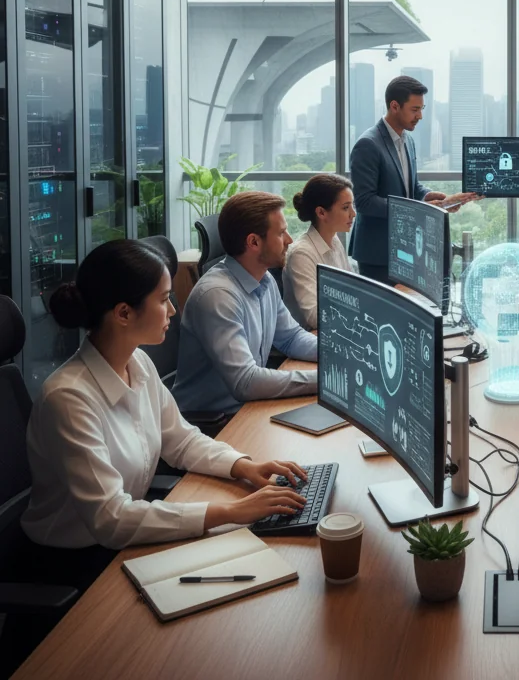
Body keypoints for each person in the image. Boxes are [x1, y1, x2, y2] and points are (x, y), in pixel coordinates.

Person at [21, 240, 308, 554]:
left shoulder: (137, 362)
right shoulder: (68, 398)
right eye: (163, 299)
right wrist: (232, 511)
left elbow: (180, 440)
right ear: (123, 313)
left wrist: (243, 466)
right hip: (76, 559)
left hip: (126, 533)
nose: (172, 309)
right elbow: (111, 519)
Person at [174, 191, 318, 415]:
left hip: (248, 409)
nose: (289, 240)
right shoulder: (218, 296)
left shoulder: (264, 278)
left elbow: (291, 338)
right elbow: (246, 382)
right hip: (213, 423)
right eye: (281, 233)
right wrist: (326, 380)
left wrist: (340, 356)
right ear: (253, 242)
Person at [349, 75, 473, 284]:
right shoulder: (368, 145)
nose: (420, 116)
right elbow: (364, 202)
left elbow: (410, 187)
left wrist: (428, 197)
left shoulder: (408, 140)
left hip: (403, 248)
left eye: (422, 109)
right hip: (377, 252)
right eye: (415, 110)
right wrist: (416, 208)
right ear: (394, 106)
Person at [283, 173, 355, 330]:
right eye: (345, 208)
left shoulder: (334, 240)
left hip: (338, 328)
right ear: (321, 212)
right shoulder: (301, 254)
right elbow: (315, 317)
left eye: (352, 206)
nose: (353, 214)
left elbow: (352, 288)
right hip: (311, 338)